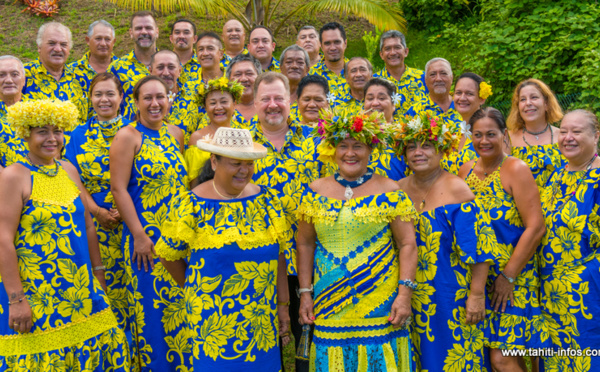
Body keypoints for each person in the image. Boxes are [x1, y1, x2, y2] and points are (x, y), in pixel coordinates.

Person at [0, 99, 129, 371]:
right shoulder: (14, 176)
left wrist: (99, 273)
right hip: (36, 294)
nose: (52, 138)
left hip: (81, 288)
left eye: (57, 131)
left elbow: (88, 225)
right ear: (26, 134)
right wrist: (16, 299)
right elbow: (3, 241)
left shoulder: (68, 170)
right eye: (42, 132)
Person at [155, 127, 291, 370]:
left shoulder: (267, 201)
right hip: (211, 323)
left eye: (249, 164)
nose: (244, 170)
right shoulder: (191, 204)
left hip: (260, 320)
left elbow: (279, 255)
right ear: (214, 162)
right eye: (236, 163)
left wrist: (283, 305)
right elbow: (168, 255)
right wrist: (194, 289)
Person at [297, 109, 417, 371]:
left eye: (358, 146)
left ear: (371, 149)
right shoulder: (315, 191)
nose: (350, 153)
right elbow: (305, 244)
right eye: (343, 145)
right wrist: (305, 293)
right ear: (333, 149)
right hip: (329, 300)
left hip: (379, 300)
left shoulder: (390, 190)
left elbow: (407, 243)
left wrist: (404, 294)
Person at [391, 112, 493, 371]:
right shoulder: (396, 190)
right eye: (411, 146)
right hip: (407, 293)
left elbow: (479, 249)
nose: (418, 152)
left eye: (426, 145)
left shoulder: (457, 189)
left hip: (451, 296)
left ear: (442, 149)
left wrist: (477, 295)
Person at [458, 107, 548, 372]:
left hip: (513, 279)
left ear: (504, 135)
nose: (483, 141)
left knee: (503, 358)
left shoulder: (515, 169)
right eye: (477, 135)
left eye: (491, 134)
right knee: (495, 357)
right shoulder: (464, 172)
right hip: (478, 280)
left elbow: (536, 227)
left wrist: (508, 277)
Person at [110, 75, 190, 371]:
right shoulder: (127, 136)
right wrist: (139, 236)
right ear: (136, 102)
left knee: (180, 308)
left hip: (177, 239)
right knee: (152, 312)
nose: (155, 103)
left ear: (170, 98)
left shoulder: (176, 134)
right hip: (145, 241)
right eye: (148, 98)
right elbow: (118, 188)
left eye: (161, 96)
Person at [64, 72, 129, 327]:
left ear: (121, 98)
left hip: (132, 222)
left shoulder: (135, 132)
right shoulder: (76, 136)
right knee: (104, 293)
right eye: (98, 94)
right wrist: (96, 211)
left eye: (110, 93)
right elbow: (73, 179)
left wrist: (124, 209)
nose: (104, 99)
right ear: (89, 98)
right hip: (94, 225)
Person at [539, 109, 600, 372]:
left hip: (588, 293)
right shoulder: (555, 176)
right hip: (549, 292)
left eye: (577, 131)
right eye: (563, 131)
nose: (568, 138)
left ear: (596, 136)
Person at [186, 77, 244, 188]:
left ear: (234, 104)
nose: (218, 107)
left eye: (224, 102)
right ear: (205, 107)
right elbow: (194, 183)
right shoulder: (197, 138)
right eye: (212, 103)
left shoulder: (241, 135)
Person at [507, 78, 565, 188]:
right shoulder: (507, 139)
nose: (528, 103)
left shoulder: (563, 136)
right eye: (522, 99)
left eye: (534, 97)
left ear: (546, 104)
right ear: (517, 106)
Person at [23, 22, 86, 121]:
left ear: (69, 49)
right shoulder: (22, 75)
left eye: (63, 44)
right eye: (51, 43)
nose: (58, 49)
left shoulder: (81, 77)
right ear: (39, 47)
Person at [109, 11, 159, 120]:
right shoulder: (117, 68)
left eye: (149, 28)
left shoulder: (170, 65)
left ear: (157, 32)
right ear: (131, 33)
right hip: (128, 133)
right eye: (138, 28)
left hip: (165, 134)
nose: (144, 32)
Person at [441, 72, 493, 175]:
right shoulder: (449, 129)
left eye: (469, 93)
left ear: (482, 98)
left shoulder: (492, 131)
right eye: (458, 93)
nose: (462, 98)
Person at [148, 50, 200, 141]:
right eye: (160, 67)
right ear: (150, 71)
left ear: (179, 70)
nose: (166, 73)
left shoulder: (195, 98)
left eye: (171, 67)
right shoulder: (141, 102)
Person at [373, 30, 427, 115]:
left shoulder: (423, 77)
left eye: (397, 47)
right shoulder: (374, 81)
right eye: (387, 49)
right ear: (381, 55)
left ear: (406, 52)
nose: (393, 53)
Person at [405, 58, 462, 129]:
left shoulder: (463, 106)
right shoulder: (414, 111)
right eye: (432, 74)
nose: (438, 79)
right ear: (425, 80)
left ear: (451, 77)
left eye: (443, 73)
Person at [70, 20, 118, 101]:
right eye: (98, 39)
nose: (103, 43)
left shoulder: (124, 69)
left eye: (107, 39)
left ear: (113, 42)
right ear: (87, 40)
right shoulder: (71, 71)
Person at [0, 55, 27, 168]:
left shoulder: (39, 110)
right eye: (1, 75)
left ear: (24, 80)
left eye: (15, 74)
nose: (9, 80)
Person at [309, 22, 348, 95]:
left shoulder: (357, 72)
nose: (333, 48)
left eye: (337, 42)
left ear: (345, 43)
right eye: (327, 43)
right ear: (321, 46)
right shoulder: (310, 76)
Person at [226, 53, 261, 124]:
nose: (243, 79)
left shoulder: (269, 106)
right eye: (238, 74)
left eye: (249, 73)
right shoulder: (220, 109)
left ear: (259, 77)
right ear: (229, 80)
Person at [279, 45, 310, 123]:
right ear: (281, 68)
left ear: (307, 69)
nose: (294, 66)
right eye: (289, 62)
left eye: (300, 62)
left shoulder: (313, 98)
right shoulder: (272, 95)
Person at [170, 19, 200, 88]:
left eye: (186, 33)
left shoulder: (203, 62)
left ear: (195, 39)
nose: (181, 36)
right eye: (177, 32)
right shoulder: (163, 63)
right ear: (171, 38)